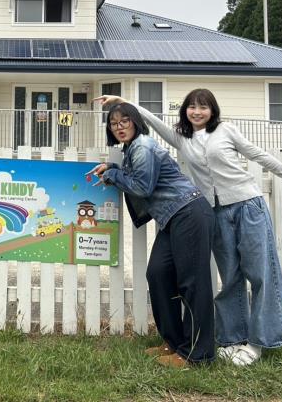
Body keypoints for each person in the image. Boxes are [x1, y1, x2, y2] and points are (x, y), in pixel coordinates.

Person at [94, 89, 282, 366]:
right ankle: (232, 340)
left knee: (259, 273)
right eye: (192, 107)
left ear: (212, 110)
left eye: (203, 107)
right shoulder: (182, 138)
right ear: (185, 111)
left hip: (246, 204)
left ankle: (257, 343)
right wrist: (124, 102)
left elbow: (259, 155)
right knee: (230, 278)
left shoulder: (226, 130)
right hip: (215, 211)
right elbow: (151, 120)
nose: (197, 112)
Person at [88, 102, 216, 368]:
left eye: (124, 121)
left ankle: (198, 354)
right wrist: (112, 168)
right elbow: (135, 175)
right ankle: (174, 342)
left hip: (188, 212)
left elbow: (142, 186)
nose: (119, 127)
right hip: (172, 217)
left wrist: (112, 174)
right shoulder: (132, 149)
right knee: (158, 273)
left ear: (135, 121)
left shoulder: (143, 146)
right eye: (114, 123)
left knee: (193, 283)